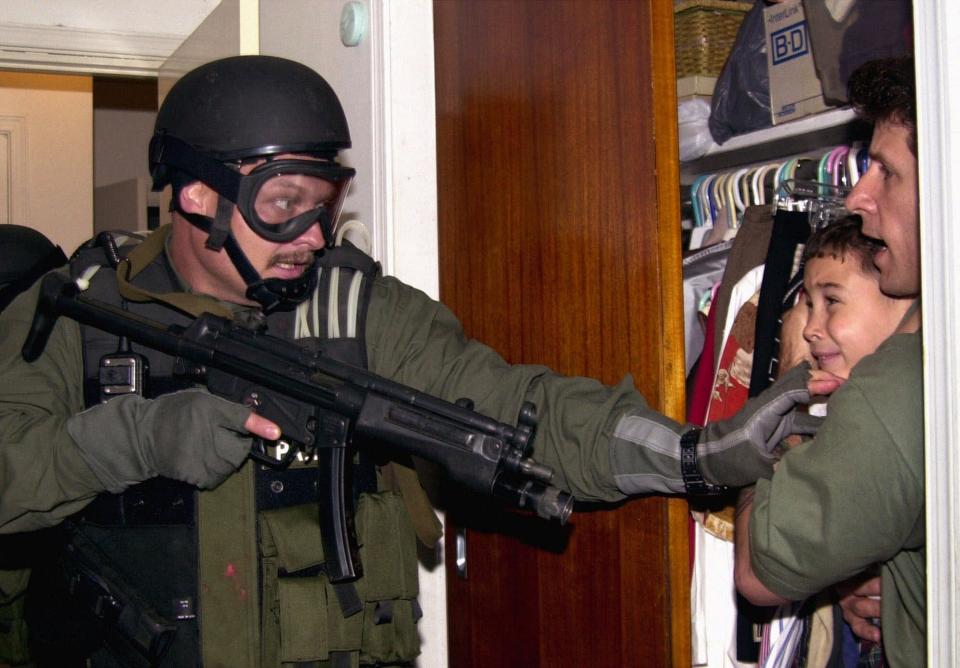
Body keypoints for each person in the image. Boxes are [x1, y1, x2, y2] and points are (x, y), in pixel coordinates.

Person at [0, 56, 813, 668]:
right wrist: (129, 442)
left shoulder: (358, 312)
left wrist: (693, 455)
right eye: (284, 208)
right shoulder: (74, 316)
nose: (314, 239)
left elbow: (512, 407)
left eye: (325, 208)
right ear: (198, 196)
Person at [733, 56, 923, 667]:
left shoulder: (899, 386)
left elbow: (758, 572)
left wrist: (778, 410)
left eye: (887, 173)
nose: (860, 193)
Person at [734, 215, 913, 666]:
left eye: (831, 300)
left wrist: (787, 386)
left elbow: (757, 570)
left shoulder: (885, 412)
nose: (810, 328)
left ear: (902, 302)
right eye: (805, 305)